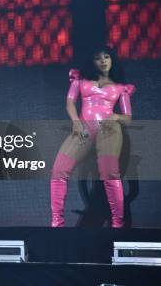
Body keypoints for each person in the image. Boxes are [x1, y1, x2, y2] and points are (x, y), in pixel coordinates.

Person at [50, 46, 135, 228]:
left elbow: (128, 118)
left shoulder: (121, 87)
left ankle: (117, 225)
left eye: (107, 57)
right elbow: (70, 102)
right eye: (98, 58)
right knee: (59, 171)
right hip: (84, 128)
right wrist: (75, 121)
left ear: (112, 60)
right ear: (93, 62)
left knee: (110, 174)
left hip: (109, 131)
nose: (103, 61)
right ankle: (57, 223)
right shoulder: (80, 80)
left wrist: (116, 116)